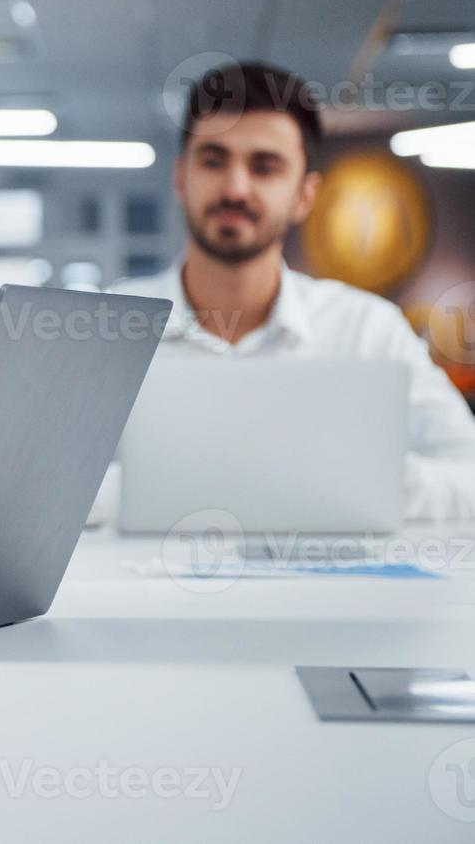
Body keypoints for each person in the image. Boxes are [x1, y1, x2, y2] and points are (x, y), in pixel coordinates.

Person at [107, 62, 475, 520]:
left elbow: (468, 473)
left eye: (265, 167)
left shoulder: (366, 330)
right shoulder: (108, 330)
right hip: (138, 592)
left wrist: (372, 481)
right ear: (180, 177)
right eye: (214, 160)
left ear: (305, 194)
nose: (236, 188)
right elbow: (41, 490)